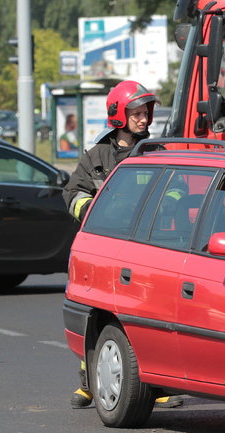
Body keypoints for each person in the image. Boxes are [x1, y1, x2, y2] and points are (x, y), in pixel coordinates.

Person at [63, 80, 182, 410]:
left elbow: (179, 190)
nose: (144, 119)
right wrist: (90, 210)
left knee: (148, 316)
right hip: (102, 248)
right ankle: (89, 383)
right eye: (137, 113)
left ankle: (158, 386)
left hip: (147, 250)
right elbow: (72, 193)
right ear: (119, 115)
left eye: (146, 113)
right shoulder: (97, 156)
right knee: (95, 314)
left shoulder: (156, 154)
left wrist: (165, 206)